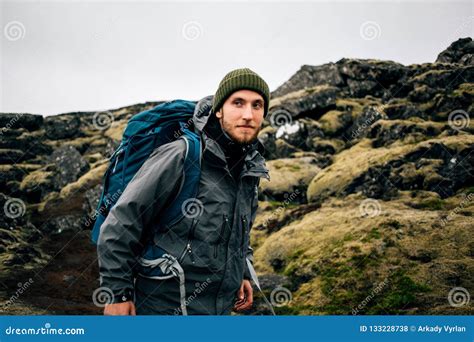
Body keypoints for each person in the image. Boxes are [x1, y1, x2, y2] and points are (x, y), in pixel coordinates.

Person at [97, 68, 270, 315]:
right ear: (219, 109)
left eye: (257, 105)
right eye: (238, 103)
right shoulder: (181, 155)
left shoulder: (249, 169)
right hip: (162, 309)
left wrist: (242, 270)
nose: (247, 115)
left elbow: (238, 231)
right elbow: (121, 222)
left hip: (217, 311)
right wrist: (117, 293)